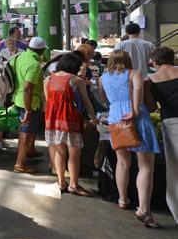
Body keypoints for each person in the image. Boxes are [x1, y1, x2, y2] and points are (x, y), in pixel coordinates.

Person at [100, 49, 160, 228]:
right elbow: (139, 89)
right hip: (136, 118)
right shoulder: (134, 73)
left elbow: (104, 99)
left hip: (115, 118)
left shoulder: (102, 78)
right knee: (146, 165)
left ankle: (122, 199)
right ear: (128, 60)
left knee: (122, 162)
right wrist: (133, 110)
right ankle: (143, 208)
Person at [45, 53, 98, 195]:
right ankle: (74, 185)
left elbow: (48, 100)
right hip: (69, 119)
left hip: (52, 119)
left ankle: (61, 182)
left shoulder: (48, 79)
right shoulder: (76, 80)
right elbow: (86, 103)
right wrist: (93, 118)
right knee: (74, 154)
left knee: (60, 152)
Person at [145, 46, 178, 224]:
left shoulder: (150, 80)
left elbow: (151, 107)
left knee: (174, 170)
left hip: (171, 123)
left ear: (155, 62)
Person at [12, 36, 47, 174]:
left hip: (19, 99)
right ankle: (20, 164)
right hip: (29, 103)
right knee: (25, 133)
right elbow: (27, 89)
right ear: (42, 50)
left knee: (30, 130)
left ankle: (31, 151)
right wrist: (28, 110)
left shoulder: (21, 56)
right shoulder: (34, 64)